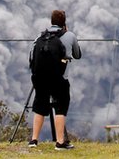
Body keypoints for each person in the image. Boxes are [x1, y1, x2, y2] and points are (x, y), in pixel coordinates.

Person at [27, 9, 82, 150]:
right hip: (60, 79)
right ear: (64, 23)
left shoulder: (40, 36)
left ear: (51, 21)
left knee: (39, 107)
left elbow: (32, 56)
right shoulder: (70, 35)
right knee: (60, 108)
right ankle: (60, 142)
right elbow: (77, 55)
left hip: (40, 79)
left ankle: (33, 140)